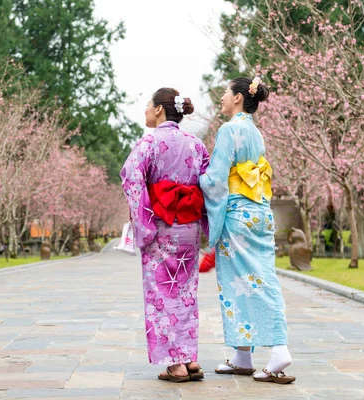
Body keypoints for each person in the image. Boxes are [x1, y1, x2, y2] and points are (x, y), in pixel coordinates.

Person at [199, 77, 295, 384]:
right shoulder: (254, 131)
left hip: (239, 215)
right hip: (259, 213)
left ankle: (279, 349)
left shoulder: (229, 129)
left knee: (253, 282)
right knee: (247, 280)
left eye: (226, 93)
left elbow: (215, 178)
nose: (223, 99)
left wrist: (193, 180)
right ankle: (243, 357)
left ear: (239, 97)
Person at [120, 88, 210, 382]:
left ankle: (175, 363)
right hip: (189, 228)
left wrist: (143, 222)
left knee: (161, 292)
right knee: (185, 293)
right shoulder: (196, 144)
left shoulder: (150, 142)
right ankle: (189, 357)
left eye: (148, 104)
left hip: (161, 226)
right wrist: (207, 224)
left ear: (159, 109)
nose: (145, 110)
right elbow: (209, 184)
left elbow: (131, 176)